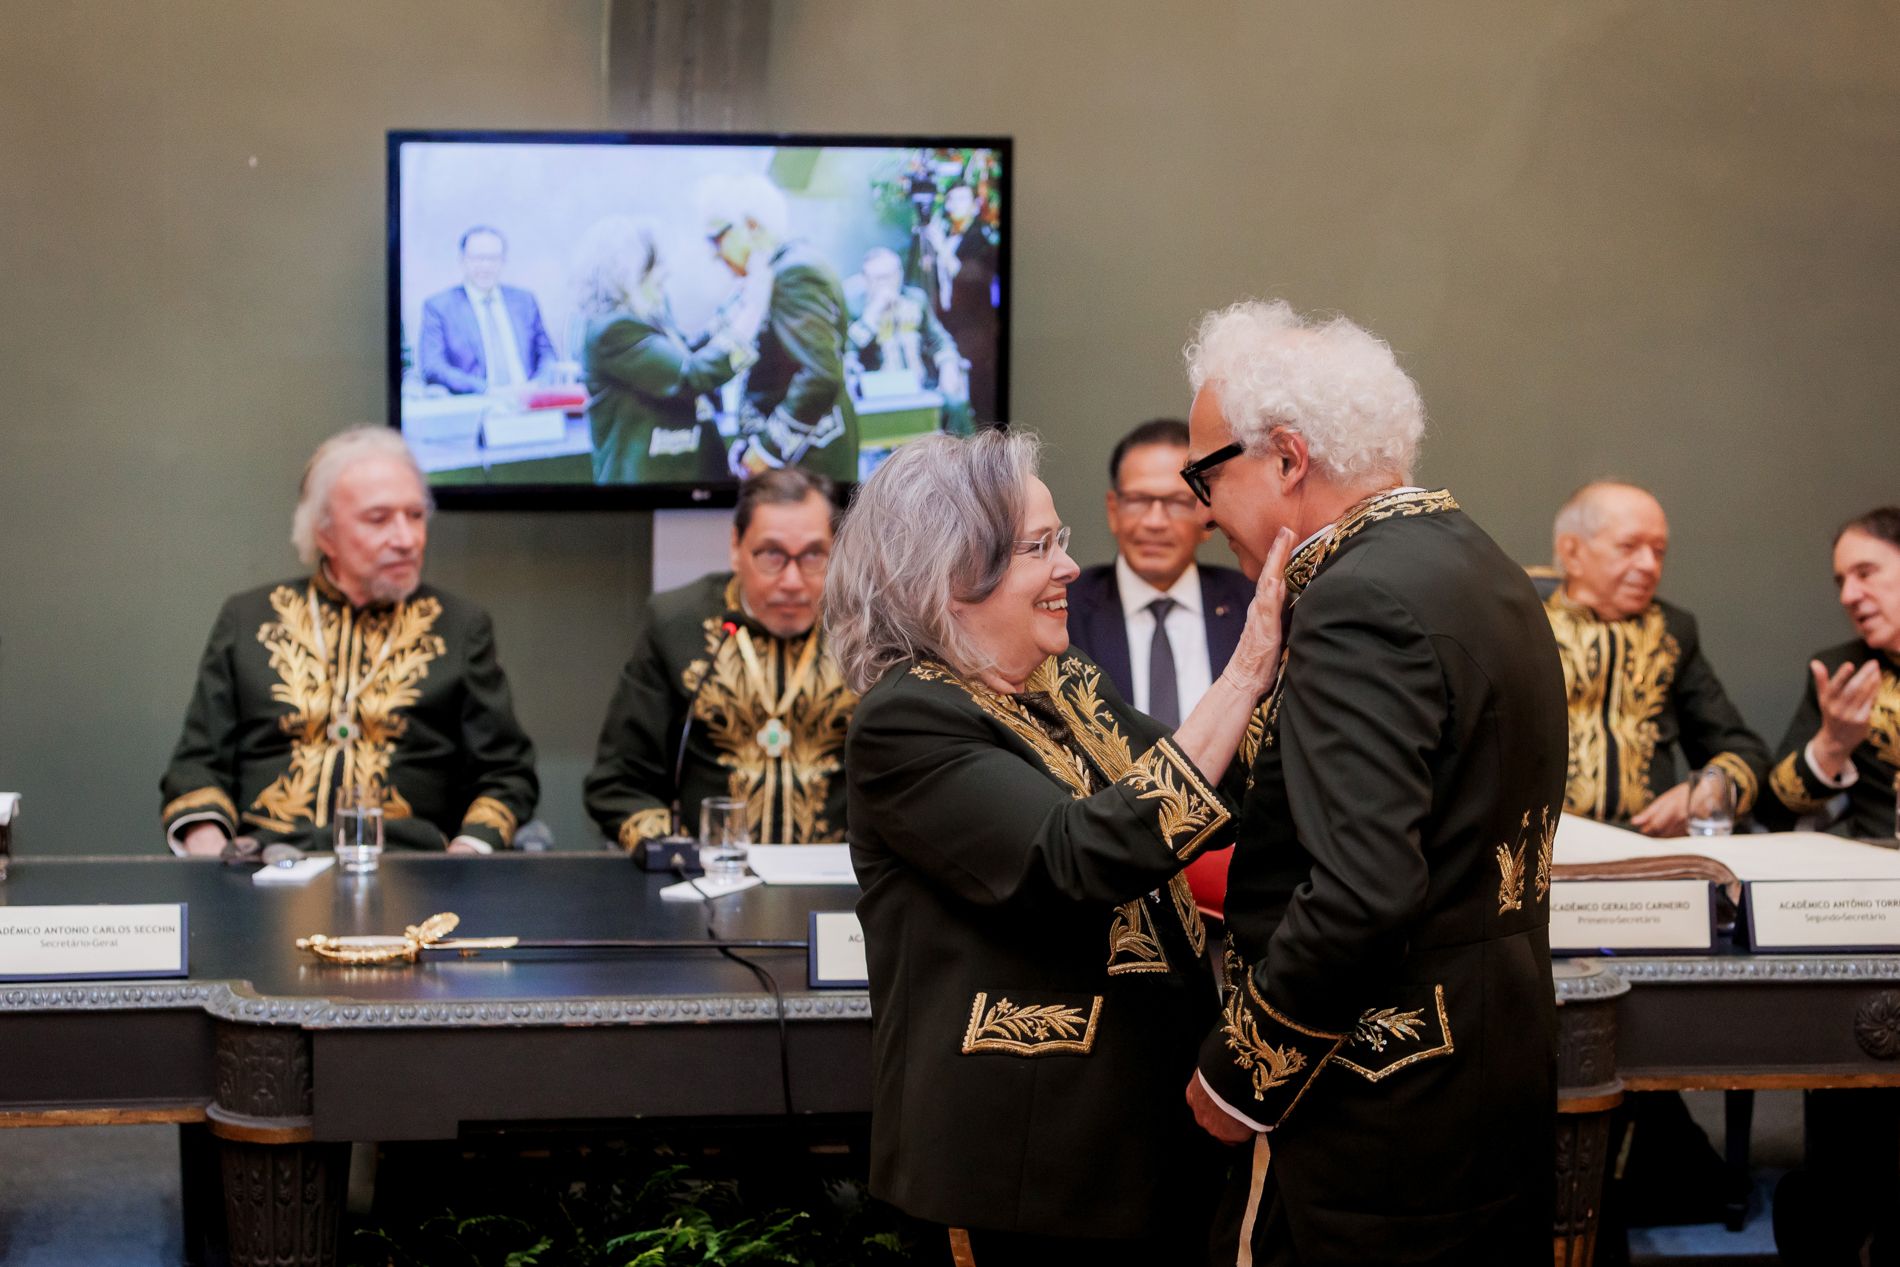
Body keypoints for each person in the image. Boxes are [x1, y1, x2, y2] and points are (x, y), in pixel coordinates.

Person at [827, 428, 1291, 1264]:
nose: (1070, 568)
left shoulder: (1062, 679)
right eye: (1039, 547)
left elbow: (1212, 781)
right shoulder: (906, 717)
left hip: (1139, 1150)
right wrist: (1246, 668)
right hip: (1027, 1169)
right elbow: (1075, 857)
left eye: (1060, 541)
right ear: (951, 576)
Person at [1179, 299, 1567, 1266]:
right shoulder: (1476, 560)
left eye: (1205, 474)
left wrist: (1240, 1077)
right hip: (1490, 1068)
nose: (1198, 507)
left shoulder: (1356, 597)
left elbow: (1359, 891)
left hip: (1378, 1102)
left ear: (1287, 460)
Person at [161, 427, 538, 855]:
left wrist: (466, 854)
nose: (406, 539)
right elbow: (196, 765)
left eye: (415, 516)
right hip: (264, 870)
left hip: (414, 874)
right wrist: (212, 851)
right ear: (323, 532)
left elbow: (507, 776)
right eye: (378, 519)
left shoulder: (461, 626)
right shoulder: (248, 618)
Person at [584, 469, 855, 849]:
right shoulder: (677, 623)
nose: (793, 581)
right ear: (736, 547)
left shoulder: (866, 629)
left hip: (841, 884)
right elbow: (619, 782)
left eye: (813, 556)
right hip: (709, 879)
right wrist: (674, 854)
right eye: (772, 555)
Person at [1543, 481, 1769, 834]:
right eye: (1629, 547)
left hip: (1649, 850)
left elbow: (1742, 751)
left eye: (1659, 551)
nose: (1649, 565)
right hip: (1542, 856)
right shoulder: (1521, 625)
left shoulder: (1672, 632)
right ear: (1572, 553)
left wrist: (1710, 787)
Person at [1067, 418, 1252, 725]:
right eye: (1138, 501)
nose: (1155, 522)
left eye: (1177, 502)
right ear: (1113, 511)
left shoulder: (1254, 607)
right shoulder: (1066, 612)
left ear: (1207, 512)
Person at [571, 215, 763, 485]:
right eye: (658, 264)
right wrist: (753, 310)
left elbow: (686, 353)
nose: (667, 271)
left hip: (684, 477)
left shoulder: (644, 315)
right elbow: (690, 375)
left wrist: (736, 307)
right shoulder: (611, 330)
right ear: (630, 271)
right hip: (650, 492)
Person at [696, 173, 858, 482]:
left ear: (752, 226)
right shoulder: (772, 272)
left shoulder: (794, 273)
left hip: (809, 467)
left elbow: (820, 374)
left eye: (717, 238)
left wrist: (768, 450)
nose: (713, 253)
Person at [1763, 505, 1900, 837]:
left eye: (1865, 573)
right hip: (1876, 877)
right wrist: (1833, 745)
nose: (1848, 596)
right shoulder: (1841, 675)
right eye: (1842, 581)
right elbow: (1774, 812)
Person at [417, 226, 558, 394]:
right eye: (477, 258)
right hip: (476, 402)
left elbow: (547, 353)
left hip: (529, 400)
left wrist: (539, 385)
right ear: (462, 260)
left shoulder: (524, 301)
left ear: (503, 261)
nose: (485, 266)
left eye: (493, 258)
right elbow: (433, 366)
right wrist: (486, 390)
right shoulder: (439, 307)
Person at [919, 183, 1001, 422]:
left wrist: (940, 246)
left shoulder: (981, 236)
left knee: (978, 392)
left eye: (963, 199)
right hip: (948, 322)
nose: (956, 205)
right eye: (952, 200)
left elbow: (965, 275)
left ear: (975, 205)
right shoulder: (947, 233)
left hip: (975, 327)